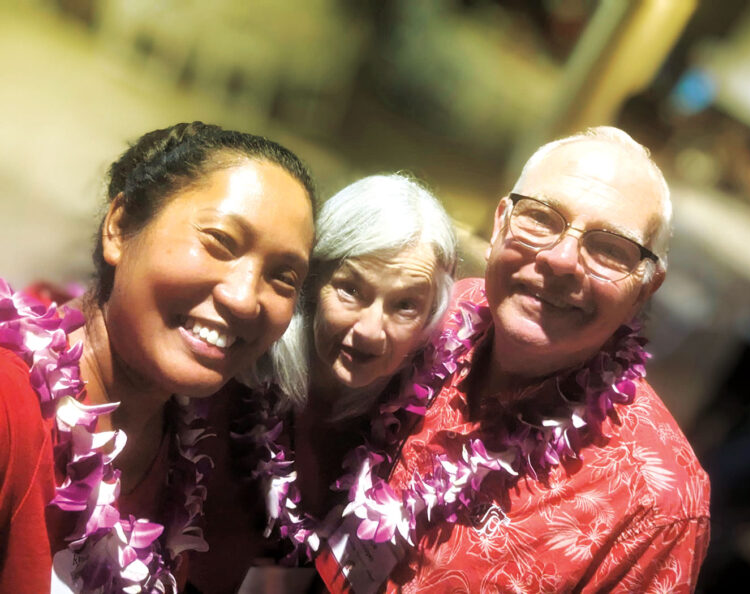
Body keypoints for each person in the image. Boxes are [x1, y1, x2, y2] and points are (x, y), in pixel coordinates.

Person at [314, 127, 711, 593]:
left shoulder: (657, 505)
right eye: (542, 218)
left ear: (646, 286)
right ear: (501, 221)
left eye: (609, 249)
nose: (561, 259)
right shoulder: (433, 316)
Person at [0, 121, 316, 593]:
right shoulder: (10, 406)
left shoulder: (191, 453)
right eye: (220, 243)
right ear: (120, 228)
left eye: (284, 277)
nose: (245, 298)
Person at [190, 173, 457, 592]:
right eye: (351, 289)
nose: (370, 330)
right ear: (312, 282)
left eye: (405, 305)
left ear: (429, 321)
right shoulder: (230, 374)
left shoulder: (411, 423)